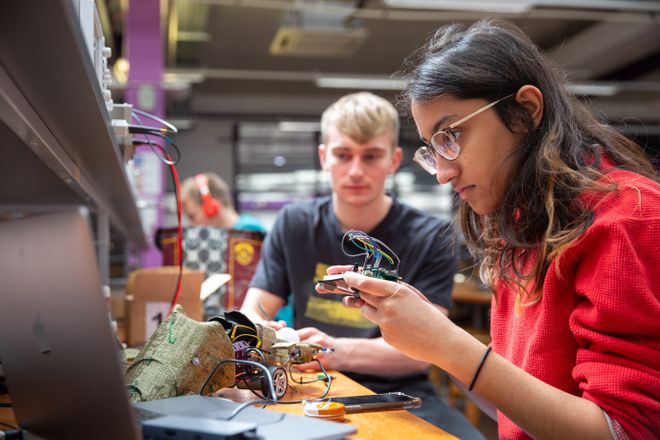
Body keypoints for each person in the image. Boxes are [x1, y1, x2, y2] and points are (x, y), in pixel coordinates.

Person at [322, 19, 660, 440]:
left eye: (451, 136)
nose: (443, 174)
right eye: (433, 149)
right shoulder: (520, 224)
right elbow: (520, 410)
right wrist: (432, 338)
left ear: (524, 111)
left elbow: (622, 431)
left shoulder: (630, 217)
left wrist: (449, 345)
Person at [240, 92, 483, 438]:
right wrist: (264, 333)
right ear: (324, 157)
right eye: (343, 155)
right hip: (307, 384)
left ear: (394, 160)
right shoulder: (293, 223)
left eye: (370, 156)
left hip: (400, 394)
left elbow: (424, 352)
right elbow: (254, 310)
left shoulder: (431, 235)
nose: (356, 170)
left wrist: (333, 351)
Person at [181, 172, 266, 233]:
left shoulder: (250, 232)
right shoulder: (225, 237)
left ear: (211, 208)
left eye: (192, 216)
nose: (191, 224)